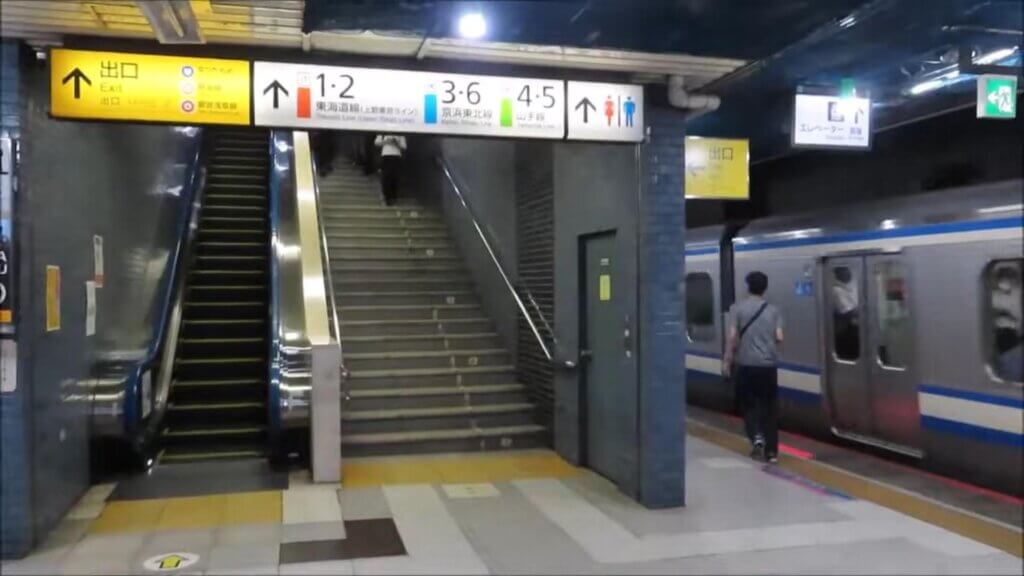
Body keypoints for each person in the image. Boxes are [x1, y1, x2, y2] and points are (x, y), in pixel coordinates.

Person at [723, 271, 784, 463]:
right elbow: (779, 337)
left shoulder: (737, 309)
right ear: (765, 288)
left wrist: (727, 361)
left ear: (748, 287)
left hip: (747, 365)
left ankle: (757, 438)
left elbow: (733, 338)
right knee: (769, 408)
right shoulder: (774, 311)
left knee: (749, 405)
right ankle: (772, 453)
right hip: (768, 366)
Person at [374, 134, 406, 206]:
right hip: (386, 156)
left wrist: (396, 143)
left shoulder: (400, 133)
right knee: (386, 177)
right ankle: (387, 198)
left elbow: (404, 147)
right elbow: (376, 143)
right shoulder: (383, 132)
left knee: (395, 177)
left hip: (396, 157)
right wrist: (386, 141)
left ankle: (393, 197)